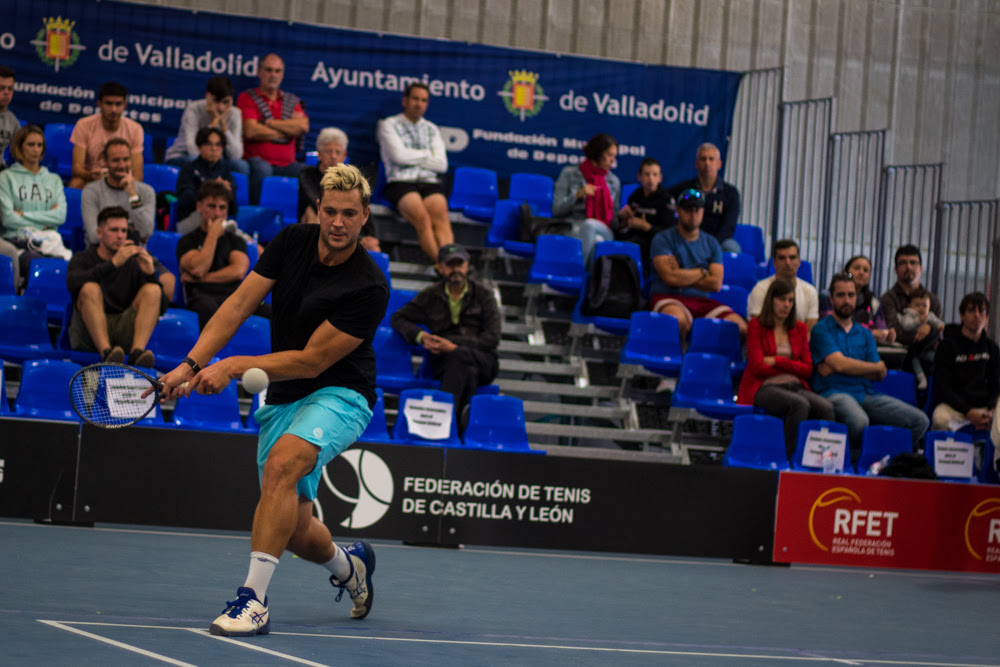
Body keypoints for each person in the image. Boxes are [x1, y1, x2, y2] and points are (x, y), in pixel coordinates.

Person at [157, 164, 389, 636]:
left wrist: (232, 366)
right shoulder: (291, 242)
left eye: (349, 213)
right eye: (330, 212)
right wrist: (192, 364)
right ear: (317, 210)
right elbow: (238, 305)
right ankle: (351, 568)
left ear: (365, 216)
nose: (338, 222)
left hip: (341, 392)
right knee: (299, 533)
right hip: (285, 398)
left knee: (284, 463)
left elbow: (311, 362)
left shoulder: (369, 285)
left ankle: (253, 601)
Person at [810, 272, 929, 453]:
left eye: (851, 295)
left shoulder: (865, 334)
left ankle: (886, 461)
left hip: (866, 394)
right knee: (859, 421)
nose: (846, 300)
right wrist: (870, 367)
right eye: (840, 295)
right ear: (832, 299)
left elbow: (880, 374)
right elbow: (841, 364)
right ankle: (855, 461)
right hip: (833, 393)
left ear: (856, 298)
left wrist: (843, 366)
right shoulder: (821, 329)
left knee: (920, 421)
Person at [391, 242, 501, 415]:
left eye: (460, 264)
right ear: (440, 268)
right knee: (466, 370)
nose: (455, 269)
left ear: (467, 265)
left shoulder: (484, 295)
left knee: (460, 356)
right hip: (446, 361)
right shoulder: (431, 295)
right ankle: (460, 425)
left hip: (483, 360)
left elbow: (492, 339)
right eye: (450, 264)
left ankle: (445, 420)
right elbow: (398, 318)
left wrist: (454, 345)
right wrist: (422, 337)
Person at [737, 278, 835, 457]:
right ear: (771, 300)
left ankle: (819, 459)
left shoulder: (799, 328)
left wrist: (776, 361)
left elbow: (806, 369)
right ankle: (789, 457)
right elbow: (758, 367)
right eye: (782, 300)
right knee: (799, 405)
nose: (787, 305)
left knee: (826, 407)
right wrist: (792, 366)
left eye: (790, 300)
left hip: (795, 386)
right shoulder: (756, 326)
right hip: (764, 386)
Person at [66, 206, 165, 366]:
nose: (120, 236)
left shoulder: (134, 263)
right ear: (99, 233)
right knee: (89, 288)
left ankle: (137, 354)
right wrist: (113, 264)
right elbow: (72, 284)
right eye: (114, 230)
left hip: (124, 333)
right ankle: (106, 353)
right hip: (89, 334)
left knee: (153, 290)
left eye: (124, 231)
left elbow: (161, 308)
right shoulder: (82, 258)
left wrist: (151, 274)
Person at [80, 138, 175, 302]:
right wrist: (132, 233)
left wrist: (133, 196)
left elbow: (146, 232)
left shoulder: (146, 192)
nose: (122, 165)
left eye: (125, 159)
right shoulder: (91, 191)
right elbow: (95, 236)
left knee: (169, 282)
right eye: (116, 160)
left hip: (137, 255)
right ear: (105, 161)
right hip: (102, 256)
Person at [649, 188, 747, 341]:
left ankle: (717, 364)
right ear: (678, 211)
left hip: (702, 301)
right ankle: (678, 362)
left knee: (739, 327)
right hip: (669, 297)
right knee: (678, 320)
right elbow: (670, 278)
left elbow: (715, 284)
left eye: (697, 209)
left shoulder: (712, 243)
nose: (693, 214)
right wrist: (703, 272)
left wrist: (681, 272)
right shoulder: (662, 239)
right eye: (688, 209)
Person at [177, 181, 270, 328]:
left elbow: (238, 271)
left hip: (233, 296)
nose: (217, 213)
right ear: (199, 206)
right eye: (211, 206)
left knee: (270, 312)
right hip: (202, 297)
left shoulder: (236, 240)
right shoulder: (187, 241)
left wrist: (200, 279)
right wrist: (212, 235)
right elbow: (198, 268)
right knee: (209, 310)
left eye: (222, 208)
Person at [377, 82, 452, 261]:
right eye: (415, 99)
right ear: (405, 100)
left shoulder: (432, 129)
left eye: (424, 100)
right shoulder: (389, 124)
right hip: (399, 182)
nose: (419, 104)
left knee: (441, 216)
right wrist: (427, 156)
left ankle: (450, 262)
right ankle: (444, 267)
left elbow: (442, 165)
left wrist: (411, 156)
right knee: (423, 219)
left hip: (428, 182)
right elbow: (398, 157)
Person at [0, 125, 69, 284]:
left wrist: (23, 214)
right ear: (19, 147)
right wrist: (46, 219)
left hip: (50, 242)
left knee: (71, 267)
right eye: (31, 144)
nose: (36, 149)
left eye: (40, 145)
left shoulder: (54, 180)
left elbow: (60, 216)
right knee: (39, 265)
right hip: (17, 242)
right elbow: (8, 219)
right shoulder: (6, 178)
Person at [237, 53, 308, 204]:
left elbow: (303, 126)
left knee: (308, 173)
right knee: (263, 170)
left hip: (288, 163)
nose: (273, 75)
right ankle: (255, 215)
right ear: (259, 72)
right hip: (258, 162)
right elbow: (251, 131)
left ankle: (305, 220)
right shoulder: (247, 97)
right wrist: (287, 130)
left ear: (282, 74)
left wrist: (268, 123)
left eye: (277, 71)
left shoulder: (291, 100)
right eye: (268, 70)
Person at [298, 128, 379, 251]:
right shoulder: (307, 174)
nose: (334, 156)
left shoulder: (352, 179)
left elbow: (362, 207)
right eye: (328, 151)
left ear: (345, 155)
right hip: (318, 221)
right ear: (319, 154)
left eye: (338, 152)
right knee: (314, 214)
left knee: (373, 247)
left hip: (346, 225)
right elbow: (319, 205)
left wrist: (371, 237)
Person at [931, 292, 998, 433]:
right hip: (956, 408)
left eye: (981, 311)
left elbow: (996, 383)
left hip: (985, 409)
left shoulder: (992, 347)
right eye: (971, 310)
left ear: (987, 317)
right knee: (940, 419)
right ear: (962, 316)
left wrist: (991, 410)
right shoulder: (948, 346)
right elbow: (942, 387)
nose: (977, 315)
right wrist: (968, 411)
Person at [552, 133, 621, 266]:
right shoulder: (569, 174)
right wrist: (578, 195)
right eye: (609, 155)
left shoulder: (614, 182)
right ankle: (588, 283)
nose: (613, 161)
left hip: (603, 228)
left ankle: (573, 273)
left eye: (615, 156)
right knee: (596, 241)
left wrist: (622, 217)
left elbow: (613, 223)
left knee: (590, 225)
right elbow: (557, 210)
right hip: (573, 226)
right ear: (597, 153)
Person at [164, 75, 249, 176]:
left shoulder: (235, 113)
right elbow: (193, 150)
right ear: (207, 96)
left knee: (241, 166)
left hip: (217, 159)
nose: (221, 108)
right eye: (216, 101)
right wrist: (213, 123)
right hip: (183, 155)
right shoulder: (194, 109)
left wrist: (223, 126)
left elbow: (236, 155)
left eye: (225, 102)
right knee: (198, 163)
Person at [666, 143, 741, 253]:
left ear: (719, 164)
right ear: (696, 164)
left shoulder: (730, 193)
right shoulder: (685, 188)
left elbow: (728, 227)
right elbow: (663, 198)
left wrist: (710, 246)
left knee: (731, 247)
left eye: (711, 159)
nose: (707, 163)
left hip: (717, 243)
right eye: (703, 159)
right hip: (687, 238)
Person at [68, 81, 144, 189]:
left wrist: (116, 179)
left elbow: (138, 175)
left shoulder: (135, 129)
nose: (114, 109)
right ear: (99, 104)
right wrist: (92, 175)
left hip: (122, 181)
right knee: (75, 183)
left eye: (118, 104)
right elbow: (76, 169)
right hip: (92, 179)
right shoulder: (83, 125)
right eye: (108, 103)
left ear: (124, 105)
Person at [747, 239, 819, 331]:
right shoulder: (760, 289)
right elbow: (757, 330)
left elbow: (808, 333)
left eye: (792, 257)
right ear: (774, 263)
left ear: (799, 262)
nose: (788, 263)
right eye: (782, 258)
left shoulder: (811, 291)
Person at [879, 244, 943, 347]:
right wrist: (926, 332)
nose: (908, 266)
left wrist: (930, 330)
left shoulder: (932, 300)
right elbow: (895, 332)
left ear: (921, 268)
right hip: (899, 356)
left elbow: (940, 332)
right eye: (903, 263)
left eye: (913, 262)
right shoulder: (888, 299)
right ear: (896, 269)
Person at [174, 127, 238, 223]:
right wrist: (212, 189)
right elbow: (186, 200)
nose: (214, 148)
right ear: (199, 147)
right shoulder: (188, 169)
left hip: (219, 219)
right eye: (209, 144)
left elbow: (233, 208)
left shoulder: (225, 172)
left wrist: (228, 193)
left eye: (218, 144)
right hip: (191, 218)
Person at [616, 157, 671, 270]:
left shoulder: (666, 199)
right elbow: (625, 229)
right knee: (615, 246)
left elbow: (669, 234)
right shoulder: (635, 196)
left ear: (660, 178)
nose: (651, 179)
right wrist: (623, 221)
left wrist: (646, 227)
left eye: (654, 175)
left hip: (655, 245)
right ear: (639, 176)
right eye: (647, 174)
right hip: (632, 240)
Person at [897, 286, 945, 390]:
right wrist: (918, 321)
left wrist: (940, 327)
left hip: (926, 349)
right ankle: (921, 378)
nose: (921, 308)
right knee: (914, 361)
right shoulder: (908, 315)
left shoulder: (929, 315)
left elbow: (938, 323)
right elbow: (906, 325)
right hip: (911, 350)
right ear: (910, 305)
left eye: (924, 306)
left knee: (939, 358)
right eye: (917, 305)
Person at [844, 254, 895, 344]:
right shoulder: (831, 297)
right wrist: (869, 333)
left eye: (866, 270)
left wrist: (886, 335)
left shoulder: (873, 302)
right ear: (847, 273)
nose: (861, 272)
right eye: (856, 268)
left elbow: (881, 329)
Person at [0, 66, 19, 170]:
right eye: (1, 88)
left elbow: (20, 153)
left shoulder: (13, 121)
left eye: (10, 88)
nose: (6, 92)